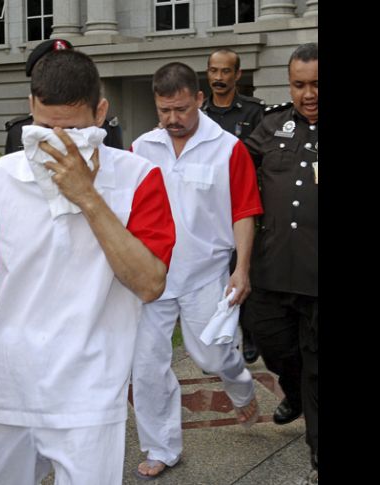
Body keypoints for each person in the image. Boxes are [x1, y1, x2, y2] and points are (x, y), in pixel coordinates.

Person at [0, 49, 175, 484]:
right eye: (46, 128)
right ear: (30, 107)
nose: (59, 142)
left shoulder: (139, 178)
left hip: (90, 391)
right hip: (10, 385)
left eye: (75, 129)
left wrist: (88, 197)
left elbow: (149, 284)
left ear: (101, 113)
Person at [130, 62, 263, 479]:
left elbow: (244, 212)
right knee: (147, 366)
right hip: (152, 278)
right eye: (165, 110)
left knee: (211, 355)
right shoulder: (140, 149)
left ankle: (240, 385)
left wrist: (241, 269)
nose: (173, 119)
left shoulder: (227, 147)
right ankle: (161, 447)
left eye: (182, 110)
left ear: (199, 99)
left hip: (206, 273)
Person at [242, 42, 318, 485]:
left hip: (316, 279)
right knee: (272, 343)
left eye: (316, 84)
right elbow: (234, 168)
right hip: (272, 273)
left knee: (317, 369)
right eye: (299, 84)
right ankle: (296, 391)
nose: (308, 94)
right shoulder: (271, 126)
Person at [203, 47, 266, 365]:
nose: (218, 77)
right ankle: (219, 332)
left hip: (243, 203)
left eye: (226, 71)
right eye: (214, 71)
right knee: (215, 272)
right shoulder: (200, 113)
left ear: (238, 75)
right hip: (210, 206)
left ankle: (250, 333)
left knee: (243, 266)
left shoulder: (254, 112)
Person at [4, 38, 124, 154]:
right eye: (46, 127)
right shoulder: (19, 129)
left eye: (72, 129)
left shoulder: (104, 127)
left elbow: (112, 161)